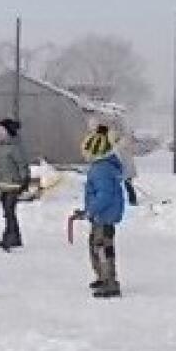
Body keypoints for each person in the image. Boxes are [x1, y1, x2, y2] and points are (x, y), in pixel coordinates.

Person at [73, 125, 126, 298]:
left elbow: (104, 196)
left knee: (103, 249)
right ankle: (102, 277)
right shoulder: (104, 167)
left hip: (103, 216)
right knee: (97, 246)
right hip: (102, 216)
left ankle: (110, 282)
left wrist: (90, 211)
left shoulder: (100, 170)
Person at [0, 118, 31, 250]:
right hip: (3, 184)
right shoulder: (0, 147)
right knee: (7, 212)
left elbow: (22, 164)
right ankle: (15, 237)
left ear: (8, 131)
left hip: (14, 184)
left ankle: (10, 237)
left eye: (1, 130)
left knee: (9, 210)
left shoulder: (15, 148)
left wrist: (25, 179)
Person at [111, 123, 140, 208]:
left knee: (126, 185)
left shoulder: (119, 147)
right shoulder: (124, 145)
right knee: (127, 185)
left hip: (125, 169)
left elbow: (119, 159)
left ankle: (132, 200)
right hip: (128, 168)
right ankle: (132, 200)